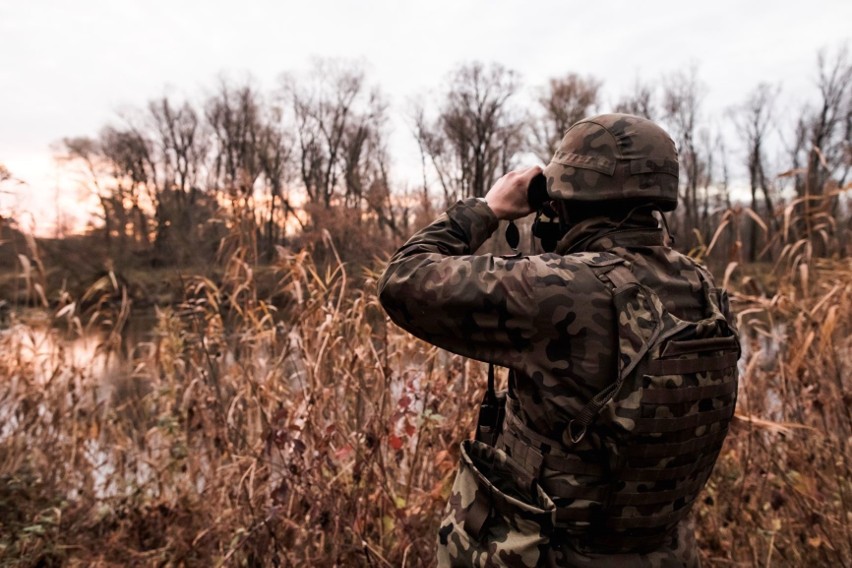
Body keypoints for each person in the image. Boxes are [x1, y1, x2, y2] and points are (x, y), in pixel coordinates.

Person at [378, 113, 740, 567]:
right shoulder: (703, 289)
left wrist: (487, 209)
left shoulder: (559, 287)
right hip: (665, 553)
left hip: (551, 552)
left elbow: (401, 279)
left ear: (567, 194)